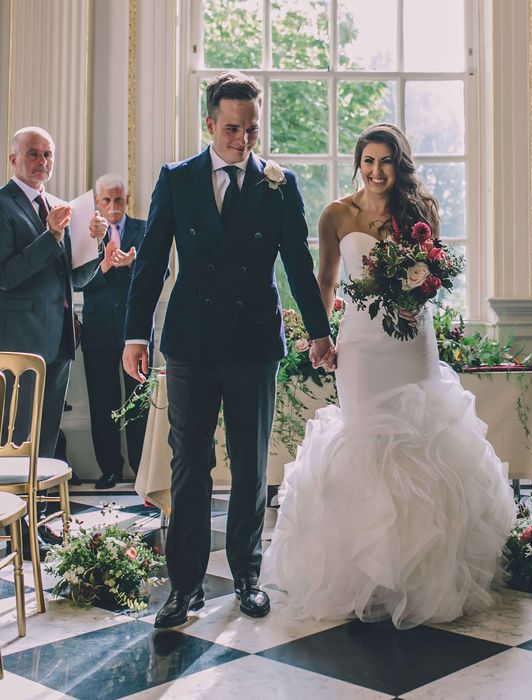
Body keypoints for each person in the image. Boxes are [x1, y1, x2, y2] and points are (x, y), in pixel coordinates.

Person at [261, 123, 516, 629]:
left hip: (411, 340)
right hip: (360, 345)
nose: (376, 171)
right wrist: (322, 335)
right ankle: (364, 574)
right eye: (368, 161)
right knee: (366, 440)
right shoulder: (337, 213)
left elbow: (434, 274)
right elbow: (327, 280)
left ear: (399, 165)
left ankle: (422, 574)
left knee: (421, 439)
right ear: (359, 163)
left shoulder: (418, 211)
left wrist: (414, 297)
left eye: (386, 162)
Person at [123, 71, 334, 629]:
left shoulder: (278, 184)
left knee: (249, 463)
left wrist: (319, 331)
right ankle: (184, 587)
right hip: (191, 343)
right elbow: (150, 264)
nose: (244, 140)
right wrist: (134, 333)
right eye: (233, 129)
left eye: (252, 129)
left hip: (253, 342)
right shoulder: (177, 179)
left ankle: (247, 575)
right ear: (210, 124)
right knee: (190, 463)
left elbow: (297, 265)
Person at [0, 126, 106, 555]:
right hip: (21, 344)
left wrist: (93, 246)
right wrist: (52, 236)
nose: (42, 161)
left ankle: (33, 527)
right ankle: (9, 526)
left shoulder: (58, 207)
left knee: (44, 441)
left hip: (60, 341)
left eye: (48, 154)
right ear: (13, 160)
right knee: (16, 438)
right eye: (33, 154)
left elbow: (73, 278)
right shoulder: (3, 206)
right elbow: (5, 277)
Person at [77, 174, 149, 490]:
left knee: (139, 404)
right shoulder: (85, 233)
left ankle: (142, 469)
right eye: (106, 200)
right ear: (97, 202)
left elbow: (165, 272)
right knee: (103, 402)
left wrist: (135, 264)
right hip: (99, 329)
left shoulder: (144, 229)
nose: (113, 206)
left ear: (127, 199)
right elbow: (77, 281)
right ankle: (110, 469)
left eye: (118, 199)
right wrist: (104, 266)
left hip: (135, 332)